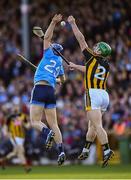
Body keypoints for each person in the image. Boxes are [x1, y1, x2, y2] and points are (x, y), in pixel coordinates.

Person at [67, 15, 114, 167]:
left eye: (97, 47)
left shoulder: (91, 56)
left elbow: (81, 39)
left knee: (98, 126)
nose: (94, 48)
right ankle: (86, 149)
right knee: (92, 126)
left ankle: (107, 150)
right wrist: (75, 65)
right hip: (104, 95)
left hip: (92, 93)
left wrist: (73, 23)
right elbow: (89, 70)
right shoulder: (106, 65)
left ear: (100, 51)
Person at [30, 14, 66, 165]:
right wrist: (57, 80)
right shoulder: (59, 64)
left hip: (40, 88)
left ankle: (47, 133)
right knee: (54, 124)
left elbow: (46, 38)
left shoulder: (48, 53)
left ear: (52, 49)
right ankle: (61, 150)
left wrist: (52, 22)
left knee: (34, 121)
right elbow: (63, 81)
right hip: (50, 92)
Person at [2, 105, 31, 172]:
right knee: (21, 150)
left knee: (15, 152)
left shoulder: (23, 116)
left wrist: (23, 123)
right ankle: (26, 167)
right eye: (14, 106)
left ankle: (2, 160)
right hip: (14, 136)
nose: (16, 108)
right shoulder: (9, 117)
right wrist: (6, 133)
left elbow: (28, 126)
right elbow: (5, 126)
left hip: (22, 137)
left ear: (19, 108)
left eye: (17, 106)